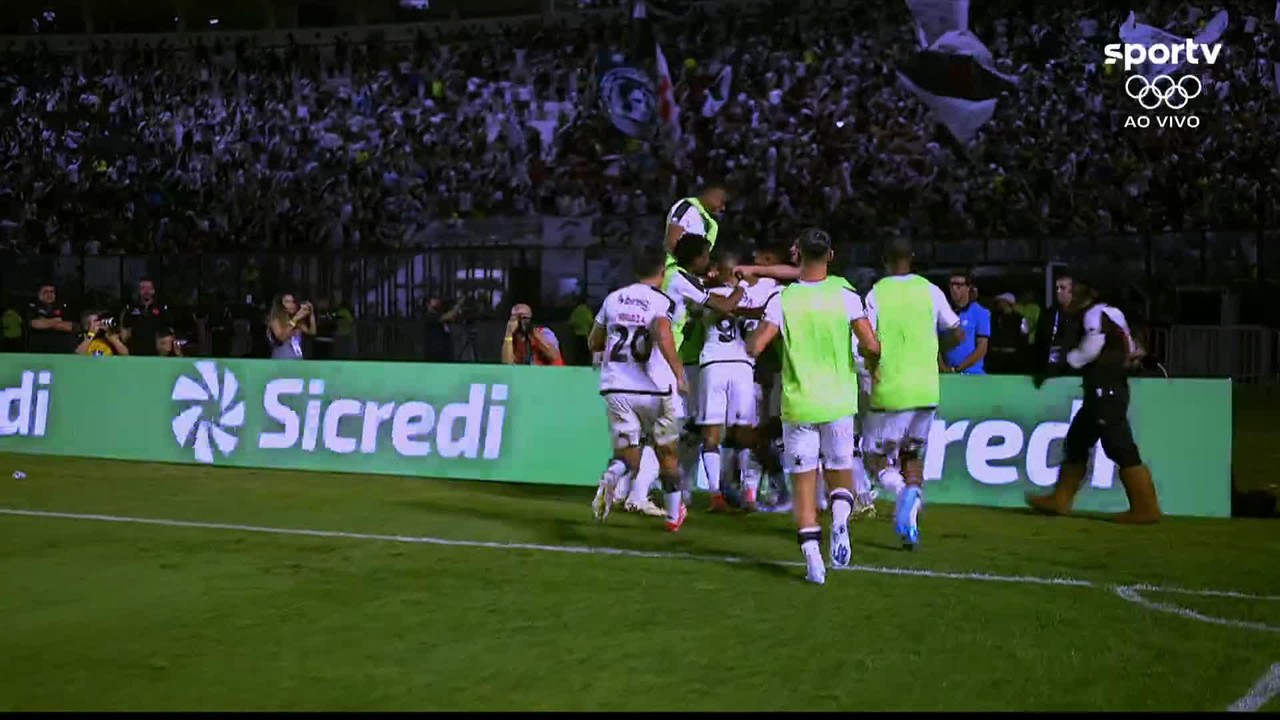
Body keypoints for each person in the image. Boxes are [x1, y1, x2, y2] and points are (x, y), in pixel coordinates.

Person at [747, 228, 880, 586]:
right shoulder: (846, 294)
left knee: (804, 487)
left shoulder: (783, 299)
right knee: (841, 475)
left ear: (796, 254)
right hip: (838, 402)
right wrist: (871, 361)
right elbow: (871, 344)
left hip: (798, 404)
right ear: (831, 256)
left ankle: (813, 564)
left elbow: (756, 346)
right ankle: (840, 519)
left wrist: (755, 334)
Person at [1026, 280, 1161, 523]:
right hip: (1107, 387)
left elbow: (1091, 348)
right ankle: (1060, 500)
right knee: (1077, 440)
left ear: (1081, 295)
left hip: (1104, 388)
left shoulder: (1093, 315)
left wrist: (1066, 363)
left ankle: (1145, 508)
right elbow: (1129, 346)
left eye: (1068, 291)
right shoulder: (1112, 312)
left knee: (1118, 445)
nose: (1062, 296)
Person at [862, 237, 964, 551]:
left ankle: (903, 494)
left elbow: (868, 343)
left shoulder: (876, 293)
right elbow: (957, 332)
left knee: (874, 456)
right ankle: (911, 527)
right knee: (911, 457)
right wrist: (935, 351)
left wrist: (870, 368)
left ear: (884, 260)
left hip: (892, 389)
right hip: (927, 390)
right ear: (913, 257)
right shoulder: (931, 291)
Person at [589, 243, 690, 533]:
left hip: (616, 387)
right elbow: (661, 331)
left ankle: (613, 473)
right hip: (655, 388)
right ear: (662, 270)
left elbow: (594, 341)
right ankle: (673, 516)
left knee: (630, 449)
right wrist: (679, 374)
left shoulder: (612, 299)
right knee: (666, 451)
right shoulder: (663, 301)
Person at [697, 248, 763, 512]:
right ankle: (749, 493)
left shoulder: (707, 295)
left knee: (711, 433)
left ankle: (716, 495)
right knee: (744, 432)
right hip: (742, 366)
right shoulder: (752, 296)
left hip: (713, 365)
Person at [664, 181, 728, 264]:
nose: (723, 208)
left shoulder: (710, 219)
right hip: (676, 270)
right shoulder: (687, 207)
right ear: (710, 194)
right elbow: (672, 241)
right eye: (721, 201)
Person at [941, 270, 990, 375]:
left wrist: (958, 369)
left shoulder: (980, 312)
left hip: (972, 374)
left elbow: (982, 348)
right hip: (947, 375)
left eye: (958, 285)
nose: (954, 289)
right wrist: (943, 369)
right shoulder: (943, 312)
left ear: (968, 288)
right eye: (951, 285)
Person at [1034, 273, 1080, 373]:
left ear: (1072, 292)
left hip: (1073, 367)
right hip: (1049, 365)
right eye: (1057, 288)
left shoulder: (1080, 314)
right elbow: (1039, 338)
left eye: (1062, 288)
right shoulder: (1049, 313)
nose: (1058, 291)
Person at [120, 278, 172, 357]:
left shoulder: (162, 310)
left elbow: (167, 336)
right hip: (134, 355)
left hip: (156, 356)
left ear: (153, 290)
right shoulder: (130, 310)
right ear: (139, 291)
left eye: (149, 288)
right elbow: (124, 335)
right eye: (143, 288)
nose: (146, 291)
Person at [987, 292, 1031, 374]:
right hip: (995, 357)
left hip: (1012, 357)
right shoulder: (993, 317)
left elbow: (1025, 337)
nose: (998, 304)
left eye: (1000, 301)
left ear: (1007, 302)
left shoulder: (1020, 319)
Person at [28, 283, 77, 354]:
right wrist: (57, 320)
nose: (49, 294)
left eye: (52, 292)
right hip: (39, 351)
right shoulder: (33, 307)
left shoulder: (63, 307)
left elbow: (70, 326)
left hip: (61, 351)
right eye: (46, 292)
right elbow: (35, 324)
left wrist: (46, 323)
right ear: (39, 295)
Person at [267, 293, 315, 360]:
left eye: (292, 301)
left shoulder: (297, 321)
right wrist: (295, 319)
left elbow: (312, 332)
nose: (291, 304)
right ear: (280, 305)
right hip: (280, 360)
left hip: (297, 360)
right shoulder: (275, 320)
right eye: (287, 302)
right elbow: (282, 337)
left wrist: (311, 314)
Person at [423, 296, 463, 363]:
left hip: (444, 348)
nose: (437, 301)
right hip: (435, 349)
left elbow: (452, 318)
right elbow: (445, 317)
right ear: (428, 303)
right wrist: (457, 305)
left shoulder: (439, 313)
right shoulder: (429, 315)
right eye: (434, 299)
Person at [568, 295, 595, 366]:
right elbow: (591, 321)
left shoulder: (576, 310)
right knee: (586, 354)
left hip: (577, 335)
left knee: (578, 353)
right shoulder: (587, 310)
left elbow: (571, 322)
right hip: (585, 335)